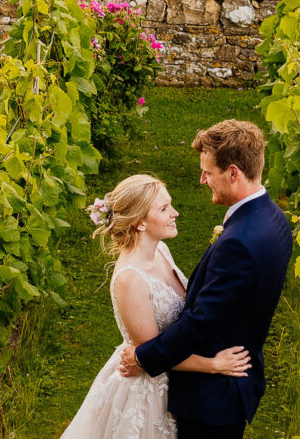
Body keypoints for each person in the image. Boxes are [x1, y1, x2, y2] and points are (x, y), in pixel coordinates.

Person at [118, 120, 293, 439]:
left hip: (212, 401)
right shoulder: (274, 219)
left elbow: (200, 323)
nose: (202, 180)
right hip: (236, 379)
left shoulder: (239, 243)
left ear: (233, 173)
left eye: (208, 172)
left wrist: (143, 357)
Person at [59, 173, 252, 439]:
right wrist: (214, 364)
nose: (175, 213)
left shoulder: (161, 250)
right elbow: (153, 352)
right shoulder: (130, 279)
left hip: (179, 379)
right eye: (163, 209)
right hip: (149, 389)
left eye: (170, 204)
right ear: (140, 223)